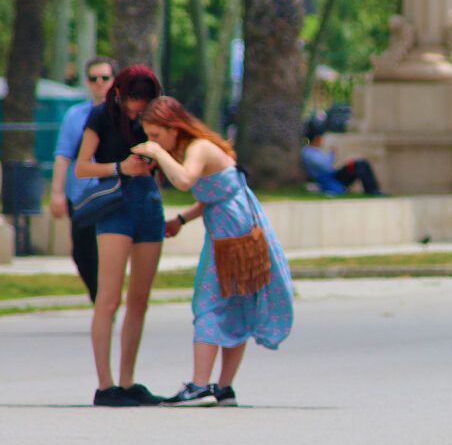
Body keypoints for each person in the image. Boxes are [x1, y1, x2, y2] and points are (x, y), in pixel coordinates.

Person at [133, 96, 294, 406]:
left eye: (156, 135)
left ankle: (199, 385)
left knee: (208, 303)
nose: (152, 142)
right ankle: (223, 388)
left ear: (175, 129)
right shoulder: (192, 148)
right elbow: (214, 194)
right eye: (149, 136)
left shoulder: (198, 148)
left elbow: (184, 181)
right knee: (234, 302)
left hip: (231, 229)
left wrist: (155, 153)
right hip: (231, 224)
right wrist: (181, 219)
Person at [74, 66, 165, 407]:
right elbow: (82, 166)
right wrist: (119, 167)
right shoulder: (102, 115)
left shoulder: (156, 116)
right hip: (114, 203)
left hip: (149, 202)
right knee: (108, 299)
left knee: (139, 298)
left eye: (143, 101)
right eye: (131, 100)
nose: (136, 108)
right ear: (120, 93)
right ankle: (105, 385)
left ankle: (128, 382)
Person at [48, 57, 118, 303]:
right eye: (93, 78)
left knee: (107, 252)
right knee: (82, 252)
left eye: (105, 78)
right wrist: (57, 193)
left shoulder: (122, 114)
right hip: (81, 195)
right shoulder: (75, 116)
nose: (100, 83)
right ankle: (100, 299)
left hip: (113, 194)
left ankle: (106, 301)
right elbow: (63, 155)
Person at [301, 119, 384, 197]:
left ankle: (373, 189)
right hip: (329, 178)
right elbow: (326, 165)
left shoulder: (316, 150)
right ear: (317, 139)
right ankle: (372, 190)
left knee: (359, 164)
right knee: (358, 166)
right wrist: (332, 154)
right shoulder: (308, 152)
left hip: (334, 175)